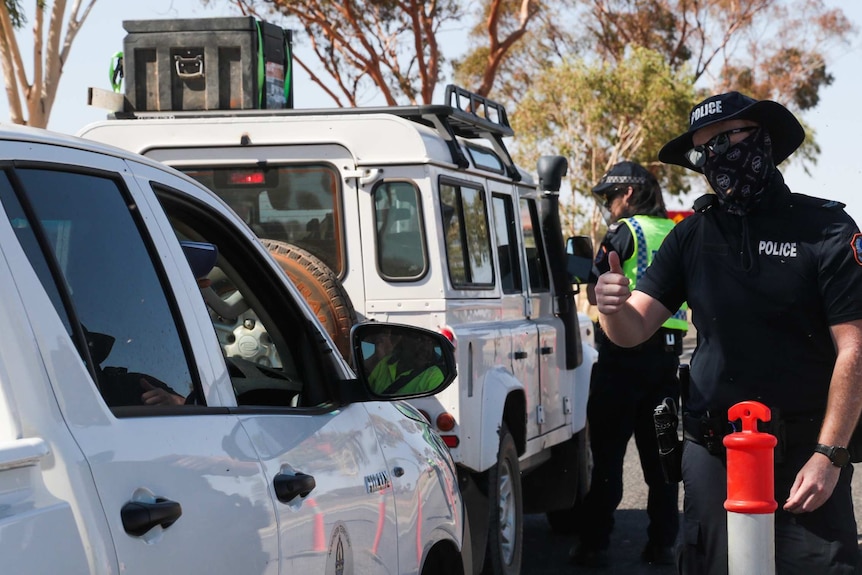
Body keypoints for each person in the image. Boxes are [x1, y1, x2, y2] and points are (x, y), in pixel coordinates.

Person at [594, 91, 862, 574]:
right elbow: (633, 329)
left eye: (724, 138)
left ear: (762, 138)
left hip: (806, 453)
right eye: (702, 150)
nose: (714, 156)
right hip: (714, 455)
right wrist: (611, 308)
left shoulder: (826, 229)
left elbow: (855, 350)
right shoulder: (691, 234)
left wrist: (830, 454)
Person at [571, 161, 685, 568]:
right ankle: (664, 545)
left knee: (607, 460)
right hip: (666, 366)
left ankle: (594, 544)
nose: (608, 205)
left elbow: (595, 284)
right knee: (664, 463)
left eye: (609, 197)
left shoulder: (626, 231)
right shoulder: (676, 232)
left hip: (621, 363)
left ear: (629, 194)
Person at [368, 332, 444, 395]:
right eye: (419, 339)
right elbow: (366, 390)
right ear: (405, 340)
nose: (426, 347)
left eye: (430, 342)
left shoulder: (434, 375)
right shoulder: (386, 362)